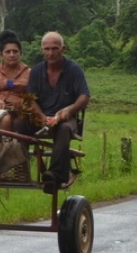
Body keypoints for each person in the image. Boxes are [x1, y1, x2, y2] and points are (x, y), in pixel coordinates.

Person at [17, 31, 90, 194]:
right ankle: (21, 169)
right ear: (42, 50)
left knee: (64, 129)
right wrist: (42, 117)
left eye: (55, 49)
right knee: (18, 124)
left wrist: (68, 111)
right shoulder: (36, 71)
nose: (50, 53)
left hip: (65, 118)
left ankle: (55, 175)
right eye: (47, 49)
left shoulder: (74, 69)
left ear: (63, 49)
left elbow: (84, 96)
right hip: (41, 117)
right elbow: (31, 99)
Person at [0, 30, 30, 130]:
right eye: (8, 52)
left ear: (20, 53)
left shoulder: (29, 72)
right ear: (1, 54)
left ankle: (4, 144)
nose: (12, 55)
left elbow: (33, 96)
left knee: (7, 119)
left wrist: (20, 103)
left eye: (15, 51)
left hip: (18, 111)